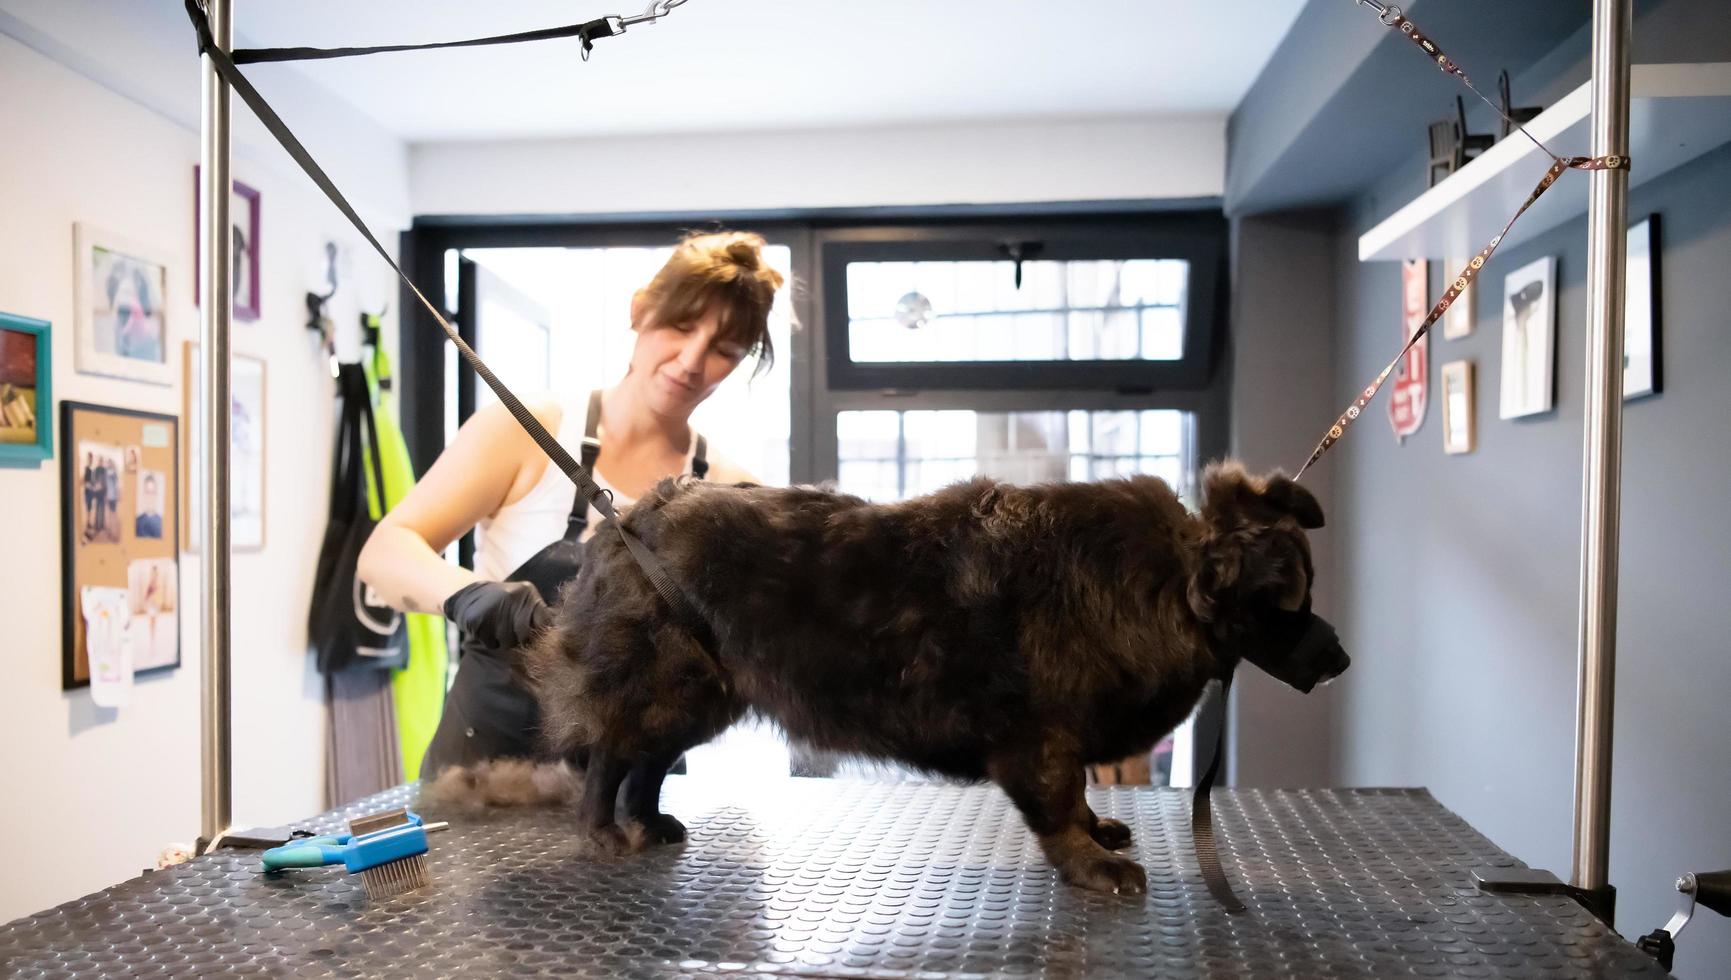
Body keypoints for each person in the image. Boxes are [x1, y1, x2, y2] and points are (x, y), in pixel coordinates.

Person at [357, 231, 784, 775]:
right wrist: (470, 597)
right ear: (639, 312)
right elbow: (383, 554)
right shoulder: (527, 433)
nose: (691, 361)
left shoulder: (729, 495)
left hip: (635, 794)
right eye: (681, 326)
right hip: (484, 784)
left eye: (724, 350)